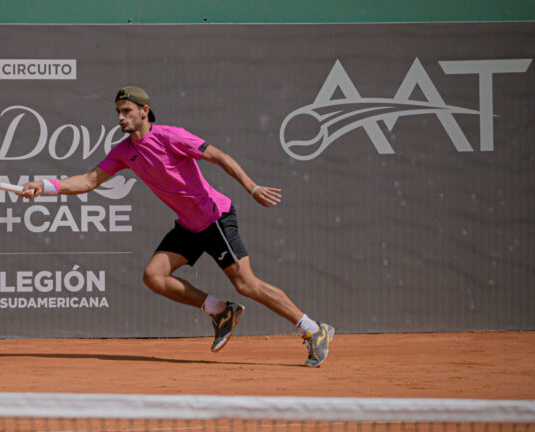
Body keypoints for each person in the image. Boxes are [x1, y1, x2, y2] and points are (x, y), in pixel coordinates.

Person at [22, 86, 334, 367]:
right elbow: (89, 181)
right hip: (188, 226)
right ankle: (221, 311)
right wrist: (45, 186)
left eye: (126, 111)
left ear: (145, 111)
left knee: (247, 284)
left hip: (215, 219)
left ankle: (314, 330)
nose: (120, 117)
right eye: (118, 112)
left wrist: (251, 187)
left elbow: (220, 156)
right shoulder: (123, 152)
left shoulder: (172, 136)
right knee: (154, 276)